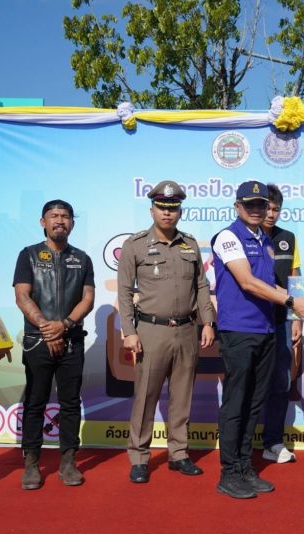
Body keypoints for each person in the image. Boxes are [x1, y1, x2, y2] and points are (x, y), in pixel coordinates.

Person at [211, 180, 304, 499]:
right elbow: (247, 283)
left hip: (267, 330)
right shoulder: (228, 237)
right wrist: (290, 302)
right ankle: (229, 472)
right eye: (251, 205)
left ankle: (245, 466)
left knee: (255, 402)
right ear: (237, 207)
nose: (257, 210)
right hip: (239, 331)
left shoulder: (265, 239)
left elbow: (276, 284)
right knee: (236, 402)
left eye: (262, 205)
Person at [117, 181, 216, 484]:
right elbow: (123, 292)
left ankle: (179, 454)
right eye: (162, 208)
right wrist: (129, 332)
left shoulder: (189, 244)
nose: (167, 214)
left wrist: (208, 321)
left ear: (180, 212)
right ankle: (139, 457)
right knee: (145, 397)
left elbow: (200, 285)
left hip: (187, 330)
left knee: (182, 396)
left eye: (173, 209)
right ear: (152, 210)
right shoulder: (135, 245)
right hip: (150, 331)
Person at [13, 199, 95, 490]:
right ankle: (32, 463)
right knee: (35, 402)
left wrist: (65, 325)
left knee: (71, 403)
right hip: (38, 342)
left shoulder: (82, 259)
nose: (60, 221)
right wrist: (46, 327)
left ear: (72, 222)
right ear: (43, 222)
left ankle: (68, 461)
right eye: (54, 216)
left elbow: (87, 299)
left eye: (65, 216)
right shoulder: (28, 255)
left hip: (71, 340)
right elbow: (22, 296)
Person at [260, 184, 302, 464]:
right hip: (249, 322)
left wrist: (296, 318)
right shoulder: (240, 238)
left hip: (281, 322)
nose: (272, 214)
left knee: (280, 382)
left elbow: (296, 280)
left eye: (276, 209)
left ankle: (272, 442)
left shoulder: (288, 238)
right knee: (249, 383)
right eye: (267, 208)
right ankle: (239, 442)